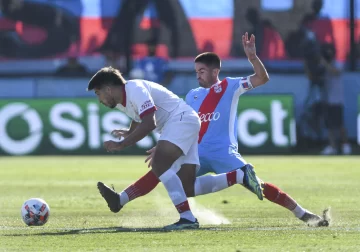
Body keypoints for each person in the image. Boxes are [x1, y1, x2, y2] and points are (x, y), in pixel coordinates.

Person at [105, 33, 330, 229]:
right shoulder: (192, 95)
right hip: (197, 151)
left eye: (202, 70)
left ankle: (303, 214)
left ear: (215, 71)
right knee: (166, 174)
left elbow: (262, 78)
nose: (198, 75)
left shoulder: (231, 85)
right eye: (196, 71)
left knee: (258, 186)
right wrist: (164, 145)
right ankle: (121, 199)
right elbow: (179, 123)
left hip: (224, 151)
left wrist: (252, 58)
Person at [86, 66, 261, 230]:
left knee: (160, 165)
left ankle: (187, 218)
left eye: (98, 93)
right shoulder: (122, 99)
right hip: (184, 122)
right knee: (187, 187)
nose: (99, 99)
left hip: (180, 120)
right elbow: (139, 116)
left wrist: (121, 144)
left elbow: (149, 123)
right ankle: (240, 175)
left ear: (108, 89)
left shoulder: (135, 89)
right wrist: (129, 131)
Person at [321, 43, 351, 155]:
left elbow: (336, 72)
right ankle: (332, 146)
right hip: (327, 99)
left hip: (337, 100)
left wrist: (324, 63)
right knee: (329, 125)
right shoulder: (323, 67)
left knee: (340, 124)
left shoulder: (338, 64)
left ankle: (345, 145)